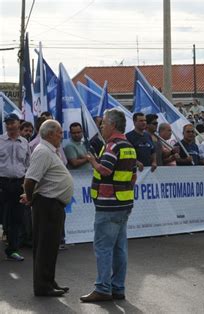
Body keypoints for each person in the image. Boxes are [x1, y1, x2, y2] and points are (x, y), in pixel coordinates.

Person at [81, 109, 137, 302]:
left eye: (104, 123)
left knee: (103, 248)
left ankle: (103, 288)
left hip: (109, 206)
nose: (101, 126)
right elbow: (133, 175)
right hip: (124, 203)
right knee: (119, 248)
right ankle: (117, 288)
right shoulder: (128, 145)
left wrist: (92, 161)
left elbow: (104, 170)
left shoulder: (113, 146)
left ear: (113, 125)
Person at [21, 119, 73, 296]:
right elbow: (30, 180)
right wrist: (30, 198)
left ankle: (49, 281)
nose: (61, 135)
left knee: (50, 246)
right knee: (45, 246)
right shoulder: (43, 151)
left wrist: (31, 195)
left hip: (52, 204)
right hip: (47, 205)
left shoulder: (50, 151)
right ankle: (43, 286)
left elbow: (42, 181)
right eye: (59, 132)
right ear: (50, 134)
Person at [0, 113, 30, 262]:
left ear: (19, 123)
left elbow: (28, 164)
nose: (10, 125)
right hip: (2, 183)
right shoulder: (0, 141)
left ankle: (12, 250)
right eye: (8, 123)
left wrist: (26, 183)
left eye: (12, 122)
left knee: (16, 218)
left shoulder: (25, 142)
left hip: (18, 183)